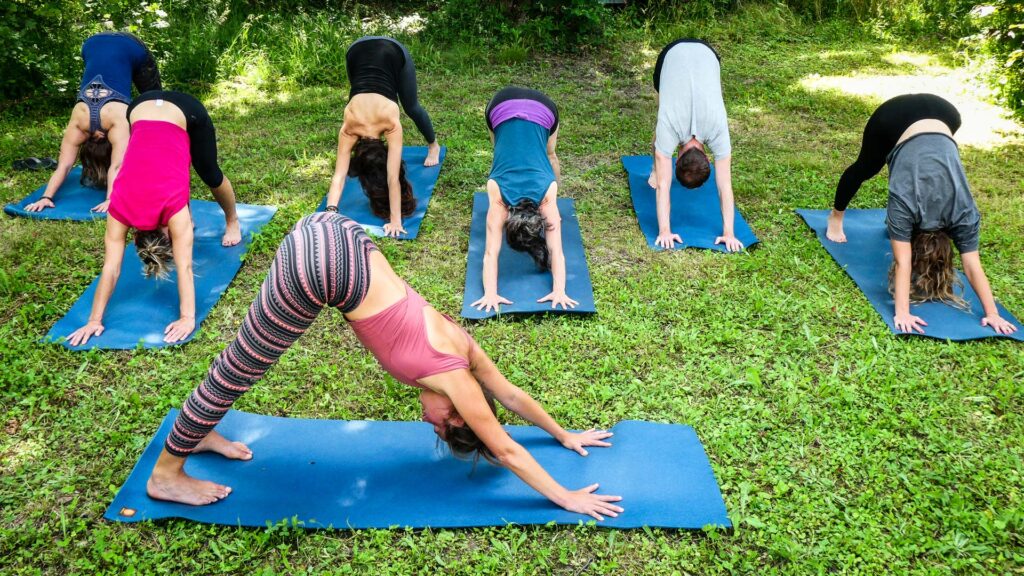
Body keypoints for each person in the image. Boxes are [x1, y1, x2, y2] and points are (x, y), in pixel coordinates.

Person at [145, 212, 623, 521]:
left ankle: (201, 431)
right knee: (236, 373)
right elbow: (509, 449)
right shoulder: (459, 385)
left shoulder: (467, 350)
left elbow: (512, 395)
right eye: (438, 428)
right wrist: (568, 497)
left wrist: (564, 434)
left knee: (238, 366)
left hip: (338, 233)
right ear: (456, 415)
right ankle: (166, 474)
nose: (426, 421)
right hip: (322, 269)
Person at [827, 93, 1017, 336]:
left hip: (947, 114)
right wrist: (902, 312)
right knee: (866, 167)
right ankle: (836, 216)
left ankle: (907, 158)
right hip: (894, 116)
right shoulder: (911, 209)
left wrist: (993, 314)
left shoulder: (965, 215)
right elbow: (903, 262)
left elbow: (971, 266)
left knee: (919, 165)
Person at [66, 91, 242, 346]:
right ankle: (202, 208)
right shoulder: (119, 208)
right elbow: (110, 268)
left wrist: (187, 318)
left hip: (185, 108)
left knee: (210, 173)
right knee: (172, 176)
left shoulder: (169, 210)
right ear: (136, 235)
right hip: (140, 105)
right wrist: (93, 320)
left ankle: (232, 219)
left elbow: (183, 267)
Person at [26, 32, 161, 214]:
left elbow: (113, 165)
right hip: (90, 45)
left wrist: (110, 199)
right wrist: (46, 197)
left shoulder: (116, 123)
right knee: (152, 103)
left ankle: (156, 158)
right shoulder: (78, 125)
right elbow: (113, 165)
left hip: (130, 46)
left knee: (156, 103)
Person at [471, 86, 576, 314]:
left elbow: (491, 252)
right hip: (515, 104)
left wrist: (560, 290)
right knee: (548, 154)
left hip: (510, 102)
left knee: (543, 153)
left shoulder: (540, 196)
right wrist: (490, 292)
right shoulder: (499, 192)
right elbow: (556, 250)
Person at [325, 36, 442, 237]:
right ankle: (432, 144)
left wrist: (395, 219)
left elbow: (391, 177)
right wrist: (330, 213)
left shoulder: (387, 123)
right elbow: (386, 176)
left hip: (391, 50)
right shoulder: (350, 127)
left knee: (411, 107)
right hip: (355, 52)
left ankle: (433, 145)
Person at [647, 39, 742, 251]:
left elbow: (664, 185)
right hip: (675, 54)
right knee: (662, 110)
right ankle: (656, 166)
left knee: (664, 121)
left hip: (708, 53)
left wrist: (665, 231)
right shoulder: (714, 129)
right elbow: (725, 185)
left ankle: (658, 162)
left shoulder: (716, 128)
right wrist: (729, 234)